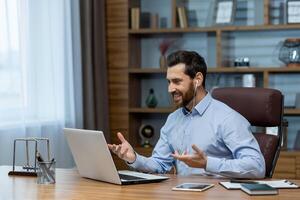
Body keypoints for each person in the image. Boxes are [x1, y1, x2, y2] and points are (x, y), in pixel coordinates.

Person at [108, 50, 265, 178]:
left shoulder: (227, 118)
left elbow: (257, 166)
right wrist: (133, 158)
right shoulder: (173, 119)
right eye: (169, 82)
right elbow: (160, 164)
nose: (170, 89)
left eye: (177, 81)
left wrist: (207, 163)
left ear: (197, 79)